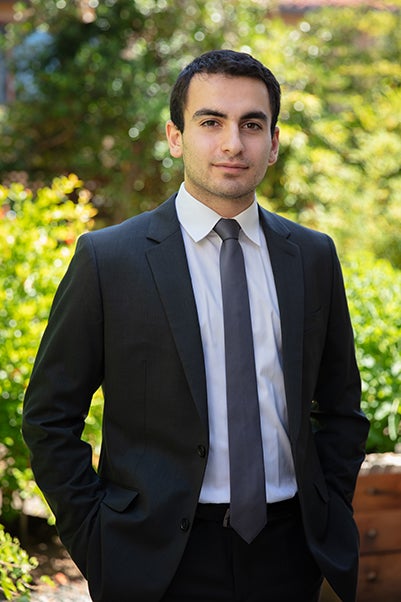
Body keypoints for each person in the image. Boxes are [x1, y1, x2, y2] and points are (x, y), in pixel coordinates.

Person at [23, 49, 369, 602]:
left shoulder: (312, 256)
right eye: (211, 122)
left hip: (290, 552)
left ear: (273, 143)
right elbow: (48, 417)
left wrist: (328, 512)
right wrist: (97, 539)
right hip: (157, 559)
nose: (233, 143)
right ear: (176, 136)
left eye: (252, 125)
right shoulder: (109, 260)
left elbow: (341, 409)